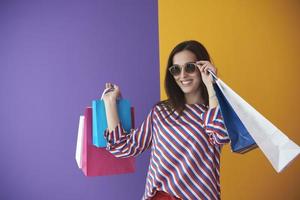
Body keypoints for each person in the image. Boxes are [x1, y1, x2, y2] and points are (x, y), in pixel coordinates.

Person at [102, 40, 230, 200]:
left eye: (190, 67)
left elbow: (220, 136)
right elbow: (124, 147)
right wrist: (110, 102)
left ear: (202, 68)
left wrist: (212, 85)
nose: (183, 75)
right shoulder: (161, 112)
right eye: (176, 70)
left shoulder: (215, 111)